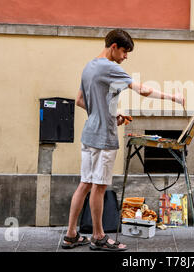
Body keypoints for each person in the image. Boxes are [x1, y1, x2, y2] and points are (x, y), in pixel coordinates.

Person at [62, 29, 185, 251]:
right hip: (103, 139)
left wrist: (109, 115)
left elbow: (80, 100)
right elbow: (143, 91)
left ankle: (71, 235)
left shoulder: (89, 66)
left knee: (84, 184)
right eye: (125, 52)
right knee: (99, 187)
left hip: (89, 135)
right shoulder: (110, 67)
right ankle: (98, 237)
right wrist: (173, 97)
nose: (125, 57)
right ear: (114, 47)